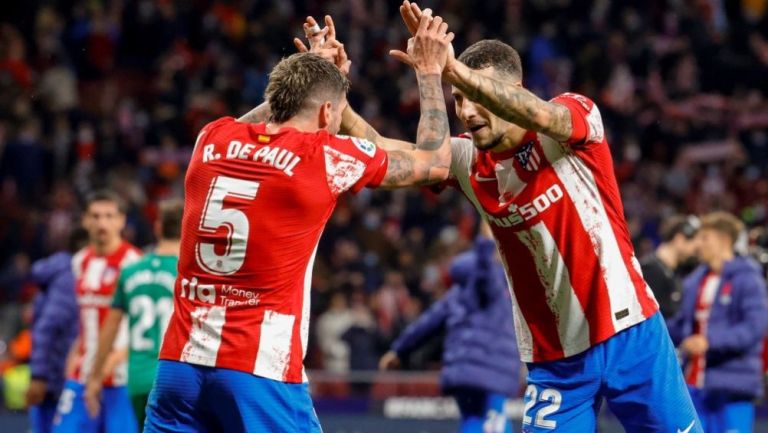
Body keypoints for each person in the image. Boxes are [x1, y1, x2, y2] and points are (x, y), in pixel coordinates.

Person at [331, 2, 703, 431]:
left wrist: (453, 71)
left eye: (478, 97)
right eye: (458, 100)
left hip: (632, 335)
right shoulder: (468, 161)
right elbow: (394, 152)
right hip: (555, 363)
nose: (467, 112)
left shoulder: (571, 121)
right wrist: (339, 104)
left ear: (514, 88)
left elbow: (539, 113)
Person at [143, 12, 454, 433]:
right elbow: (434, 164)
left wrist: (313, 75)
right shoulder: (324, 156)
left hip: (178, 366)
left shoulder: (211, 139)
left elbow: (264, 117)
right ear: (328, 113)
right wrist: (431, 72)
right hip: (258, 369)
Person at [380, 224, 519, 433]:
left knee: (471, 420)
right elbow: (484, 268)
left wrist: (398, 349)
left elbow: (424, 325)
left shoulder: (454, 295)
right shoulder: (492, 286)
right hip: (491, 371)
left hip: (461, 372)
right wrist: (485, 239)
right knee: (495, 419)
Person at [84, 199, 184, 427]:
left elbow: (110, 328)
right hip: (175, 376)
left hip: (137, 378)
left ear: (157, 227)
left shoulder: (130, 270)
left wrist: (95, 376)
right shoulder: (188, 273)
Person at [668, 211, 768, 433]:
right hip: (695, 385)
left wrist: (709, 341)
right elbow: (681, 325)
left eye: (705, 238)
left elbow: (754, 327)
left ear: (723, 240)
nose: (698, 245)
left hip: (733, 386)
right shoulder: (695, 280)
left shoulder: (748, 279)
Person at [53, 190, 142, 433]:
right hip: (82, 373)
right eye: (95, 216)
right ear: (85, 220)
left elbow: (141, 324)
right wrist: (74, 353)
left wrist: (116, 357)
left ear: (121, 220)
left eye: (109, 216)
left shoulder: (134, 263)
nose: (102, 223)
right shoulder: (80, 261)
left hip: (121, 377)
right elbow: (86, 316)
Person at [26, 229, 87, 433]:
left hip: (61, 377)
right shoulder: (69, 280)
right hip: (56, 382)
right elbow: (46, 329)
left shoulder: (68, 274)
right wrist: (39, 376)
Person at [640, 215, 699, 319]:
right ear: (679, 239)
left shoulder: (673, 271)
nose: (694, 253)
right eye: (693, 248)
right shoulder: (651, 270)